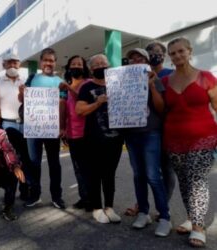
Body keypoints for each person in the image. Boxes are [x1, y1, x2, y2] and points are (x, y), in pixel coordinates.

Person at [162, 37, 217, 247]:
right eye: (173, 53)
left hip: (203, 136)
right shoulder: (166, 81)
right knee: (185, 182)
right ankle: (191, 216)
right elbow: (161, 109)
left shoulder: (206, 77)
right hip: (174, 138)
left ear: (189, 51)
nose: (177, 56)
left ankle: (198, 226)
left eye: (180, 51)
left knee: (197, 179)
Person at [124, 48, 172, 236]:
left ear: (146, 61)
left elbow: (161, 109)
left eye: (140, 58)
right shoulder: (123, 82)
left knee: (153, 175)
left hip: (150, 132)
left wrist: (152, 85)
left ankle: (165, 217)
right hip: (131, 134)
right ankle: (143, 212)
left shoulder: (155, 78)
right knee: (138, 175)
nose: (136, 60)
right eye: (132, 59)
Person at [76, 54, 124, 222]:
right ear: (91, 69)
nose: (101, 66)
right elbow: (79, 110)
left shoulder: (117, 84)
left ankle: (109, 207)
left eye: (104, 63)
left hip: (116, 138)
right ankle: (97, 208)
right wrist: (98, 102)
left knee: (109, 174)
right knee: (94, 174)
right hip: (93, 139)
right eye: (97, 64)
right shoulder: (86, 86)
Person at [20, 48, 67, 209]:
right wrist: (22, 93)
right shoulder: (32, 78)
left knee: (54, 163)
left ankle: (56, 197)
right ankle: (35, 195)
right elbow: (22, 100)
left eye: (51, 60)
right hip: (33, 127)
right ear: (41, 62)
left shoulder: (59, 81)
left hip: (52, 128)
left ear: (55, 63)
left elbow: (62, 105)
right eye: (46, 60)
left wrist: (62, 126)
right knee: (34, 163)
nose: (48, 63)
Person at [0, 52, 31, 200]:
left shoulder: (26, 81)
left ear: (19, 64)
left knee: (27, 159)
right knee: (10, 159)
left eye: (15, 62)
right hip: (7, 124)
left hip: (26, 124)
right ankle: (9, 193)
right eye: (9, 62)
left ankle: (25, 190)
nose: (12, 65)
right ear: (4, 65)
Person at [62, 55, 91, 211]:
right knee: (77, 168)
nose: (76, 66)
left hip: (86, 133)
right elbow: (65, 110)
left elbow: (82, 99)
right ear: (68, 67)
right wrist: (64, 130)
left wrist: (69, 88)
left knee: (87, 168)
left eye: (80, 64)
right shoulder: (67, 86)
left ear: (84, 67)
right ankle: (84, 197)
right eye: (73, 64)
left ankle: (92, 199)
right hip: (72, 133)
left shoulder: (88, 83)